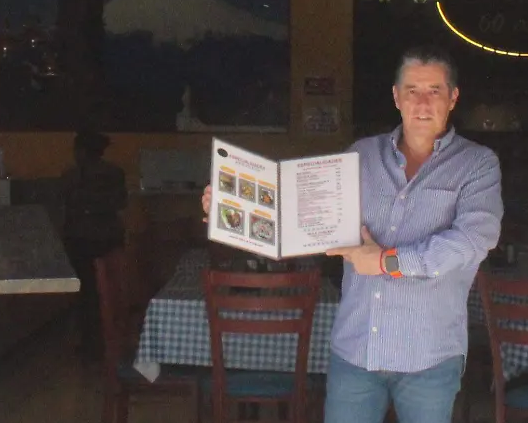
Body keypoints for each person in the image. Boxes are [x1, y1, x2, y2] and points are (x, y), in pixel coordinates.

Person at [202, 46, 502, 423]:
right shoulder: (361, 156)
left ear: (453, 97)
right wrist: (229, 207)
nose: (422, 102)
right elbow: (304, 220)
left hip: (428, 355)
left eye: (434, 90)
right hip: (357, 350)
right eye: (412, 90)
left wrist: (385, 261)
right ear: (396, 96)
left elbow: (474, 240)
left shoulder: (477, 164)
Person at [61, 128, 128, 357]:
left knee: (86, 294)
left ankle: (90, 343)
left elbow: (66, 206)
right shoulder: (114, 173)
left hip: (81, 240)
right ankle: (110, 341)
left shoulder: (72, 175)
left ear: (80, 151)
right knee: (109, 292)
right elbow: (121, 203)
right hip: (108, 239)